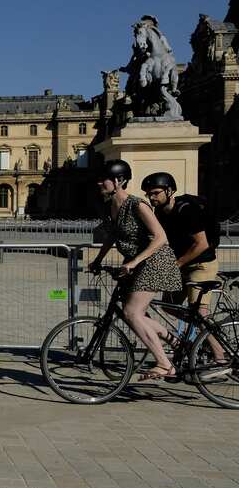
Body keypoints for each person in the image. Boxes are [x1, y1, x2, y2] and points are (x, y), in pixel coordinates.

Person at [88, 159, 182, 379]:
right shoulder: (112, 206)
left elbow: (161, 238)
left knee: (132, 312)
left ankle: (164, 364)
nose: (100, 183)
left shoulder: (137, 205)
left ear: (119, 181)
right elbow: (112, 235)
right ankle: (179, 344)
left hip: (156, 262)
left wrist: (133, 261)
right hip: (138, 264)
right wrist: (98, 260)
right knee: (135, 313)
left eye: (105, 180)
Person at [142, 172, 228, 367]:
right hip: (182, 265)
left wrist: (178, 263)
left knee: (199, 312)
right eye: (149, 194)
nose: (152, 197)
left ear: (169, 190)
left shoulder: (187, 210)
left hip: (201, 264)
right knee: (168, 305)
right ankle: (203, 336)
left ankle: (220, 355)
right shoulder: (161, 213)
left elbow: (202, 244)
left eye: (155, 193)